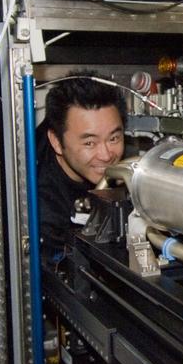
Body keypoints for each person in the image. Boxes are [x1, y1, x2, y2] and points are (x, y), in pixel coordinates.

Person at [36, 73, 126, 248]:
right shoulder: (42, 203)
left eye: (113, 138)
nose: (106, 155)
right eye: (90, 143)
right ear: (56, 141)